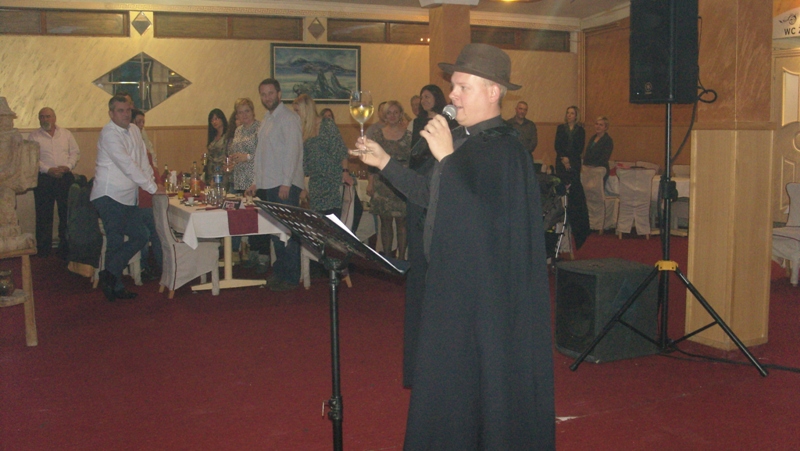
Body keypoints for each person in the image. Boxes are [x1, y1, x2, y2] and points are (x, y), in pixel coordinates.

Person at [352, 43, 555, 449]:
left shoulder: (506, 149)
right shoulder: (462, 141)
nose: (452, 95)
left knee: (481, 385)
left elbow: (485, 223)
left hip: (484, 297)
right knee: (452, 387)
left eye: (463, 87)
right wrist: (385, 163)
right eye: (453, 86)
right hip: (449, 284)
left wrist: (446, 159)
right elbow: (431, 194)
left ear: (493, 91)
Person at [90, 95, 163, 301]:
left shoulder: (134, 130)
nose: (125, 114)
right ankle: (115, 286)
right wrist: (151, 187)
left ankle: (109, 275)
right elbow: (127, 165)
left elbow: (142, 161)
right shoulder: (109, 133)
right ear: (111, 113)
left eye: (128, 110)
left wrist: (153, 183)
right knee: (115, 240)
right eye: (120, 111)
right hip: (108, 195)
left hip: (128, 197)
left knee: (141, 235)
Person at [245, 78, 304, 292]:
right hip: (270, 184)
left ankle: (291, 277)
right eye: (263, 94)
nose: (267, 97)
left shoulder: (289, 118)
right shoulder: (267, 119)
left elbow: (293, 152)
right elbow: (262, 155)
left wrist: (286, 182)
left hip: (284, 185)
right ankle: (280, 272)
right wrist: (256, 182)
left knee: (287, 233)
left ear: (279, 94)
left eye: (270, 93)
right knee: (276, 233)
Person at [28, 107, 80, 258]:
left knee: (66, 213)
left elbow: (75, 152)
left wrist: (68, 166)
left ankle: (65, 247)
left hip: (65, 177)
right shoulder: (34, 136)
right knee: (43, 215)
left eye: (48, 116)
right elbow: (32, 158)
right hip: (44, 179)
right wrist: (48, 169)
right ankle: (43, 251)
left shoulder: (66, 134)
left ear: (54, 118)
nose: (45, 119)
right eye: (42, 117)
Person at [367, 100, 411, 260]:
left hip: (402, 184)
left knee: (402, 223)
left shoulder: (409, 136)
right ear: (384, 115)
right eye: (389, 113)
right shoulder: (377, 136)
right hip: (382, 183)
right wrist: (370, 182)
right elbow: (371, 161)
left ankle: (401, 259)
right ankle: (387, 259)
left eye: (395, 112)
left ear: (400, 114)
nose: (392, 116)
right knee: (385, 223)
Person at [293, 94, 350, 216]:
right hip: (316, 184)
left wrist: (345, 171)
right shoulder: (303, 130)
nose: (295, 114)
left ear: (306, 110)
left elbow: (341, 150)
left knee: (334, 220)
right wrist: (302, 186)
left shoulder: (327, 125)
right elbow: (302, 162)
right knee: (319, 220)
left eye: (297, 110)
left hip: (333, 181)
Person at [131, 109, 162, 282]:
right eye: (138, 122)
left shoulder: (144, 142)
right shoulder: (131, 144)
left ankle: (158, 265)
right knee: (152, 229)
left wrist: (159, 184)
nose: (141, 126)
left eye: (143, 122)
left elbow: (153, 169)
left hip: (148, 195)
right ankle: (147, 266)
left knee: (158, 229)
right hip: (138, 198)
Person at [227, 98, 259, 193]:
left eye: (247, 111)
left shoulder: (260, 128)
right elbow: (236, 151)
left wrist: (247, 157)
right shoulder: (238, 130)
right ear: (237, 115)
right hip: (239, 180)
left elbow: (266, 156)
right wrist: (232, 161)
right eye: (240, 112)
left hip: (254, 181)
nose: (244, 115)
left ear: (253, 112)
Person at [554, 105, 585, 184]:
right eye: (568, 113)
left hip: (574, 161)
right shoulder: (560, 128)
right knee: (561, 184)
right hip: (561, 160)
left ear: (576, 116)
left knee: (574, 185)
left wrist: (569, 160)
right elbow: (557, 145)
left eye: (572, 113)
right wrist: (564, 158)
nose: (569, 115)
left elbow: (580, 148)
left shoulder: (580, 130)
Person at [206, 108, 229, 184]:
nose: (214, 122)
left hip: (223, 171)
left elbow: (227, 154)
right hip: (211, 171)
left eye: (216, 119)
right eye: (212, 120)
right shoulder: (213, 136)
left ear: (222, 119)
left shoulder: (227, 136)